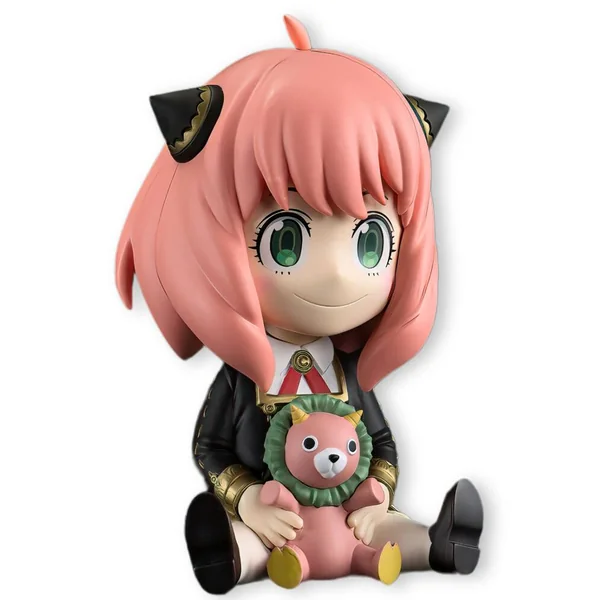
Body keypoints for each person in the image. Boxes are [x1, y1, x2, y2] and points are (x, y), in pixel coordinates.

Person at [115, 14, 483, 595]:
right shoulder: (243, 378)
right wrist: (246, 500)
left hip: (349, 516)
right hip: (275, 522)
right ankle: (228, 555)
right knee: (252, 543)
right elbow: (209, 446)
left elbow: (382, 442)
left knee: (390, 528)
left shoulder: (347, 369)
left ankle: (437, 545)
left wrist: (379, 492)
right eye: (285, 239)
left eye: (370, 242)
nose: (337, 275)